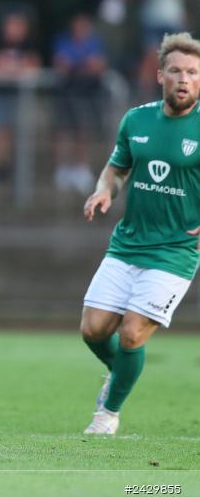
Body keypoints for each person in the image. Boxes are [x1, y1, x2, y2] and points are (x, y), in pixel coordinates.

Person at [80, 32, 200, 435]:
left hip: (176, 251)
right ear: (160, 75)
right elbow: (117, 169)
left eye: (193, 73)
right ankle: (122, 373)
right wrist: (103, 190)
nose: (184, 79)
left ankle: (106, 414)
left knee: (132, 335)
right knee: (93, 330)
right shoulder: (136, 120)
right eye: (176, 71)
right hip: (128, 244)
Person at [52, 13, 108, 194]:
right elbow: (62, 64)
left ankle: (80, 167)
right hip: (66, 92)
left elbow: (99, 65)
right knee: (62, 130)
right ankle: (62, 168)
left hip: (88, 94)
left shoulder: (95, 43)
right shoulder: (64, 41)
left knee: (84, 129)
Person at [0, 11, 41, 179]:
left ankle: (12, 165)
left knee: (14, 130)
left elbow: (34, 65)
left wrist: (13, 68)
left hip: (20, 96)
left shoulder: (29, 44)